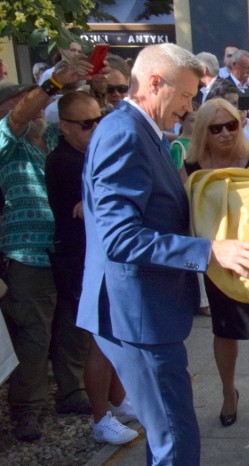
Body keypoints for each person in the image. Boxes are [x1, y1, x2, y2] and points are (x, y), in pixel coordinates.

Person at [78, 43, 249, 466]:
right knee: (175, 438)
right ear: (155, 83)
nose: (190, 108)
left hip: (146, 309)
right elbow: (120, 238)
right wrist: (209, 251)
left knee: (172, 436)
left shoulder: (147, 133)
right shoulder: (124, 133)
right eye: (185, 96)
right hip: (135, 314)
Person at [0, 56, 95, 443]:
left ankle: (71, 393)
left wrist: (84, 83)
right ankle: (28, 411)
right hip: (27, 253)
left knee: (73, 326)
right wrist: (52, 83)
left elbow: (79, 119)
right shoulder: (7, 142)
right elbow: (22, 114)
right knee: (33, 337)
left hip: (65, 250)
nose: (38, 108)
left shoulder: (55, 138)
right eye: (29, 102)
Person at [45, 91, 138, 445]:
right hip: (83, 264)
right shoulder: (64, 162)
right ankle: (100, 418)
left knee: (115, 337)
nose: (95, 127)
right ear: (65, 127)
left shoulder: (89, 156)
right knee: (100, 342)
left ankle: (118, 401)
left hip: (100, 261)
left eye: (99, 119)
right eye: (86, 123)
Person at [183, 98, 249, 429]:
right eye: (216, 128)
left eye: (232, 125)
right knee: (224, 332)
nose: (225, 133)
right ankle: (228, 393)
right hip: (217, 261)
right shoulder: (191, 165)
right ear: (203, 132)